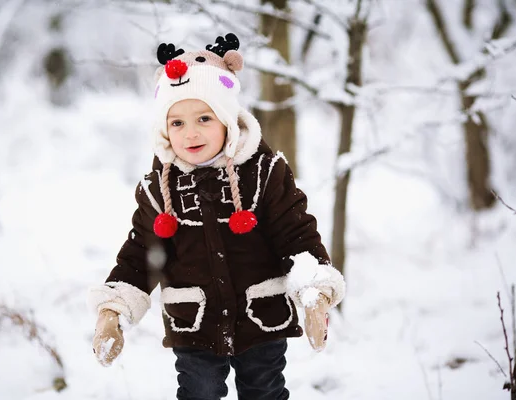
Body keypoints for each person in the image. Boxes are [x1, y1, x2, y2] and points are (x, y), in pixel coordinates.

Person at [87, 33, 345, 400]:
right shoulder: (158, 190)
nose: (190, 132)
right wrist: (112, 312)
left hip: (261, 319)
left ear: (226, 119)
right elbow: (141, 256)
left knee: (264, 391)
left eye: (204, 118)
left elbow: (297, 236)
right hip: (196, 323)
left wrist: (315, 293)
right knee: (198, 392)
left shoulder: (265, 173)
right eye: (176, 123)